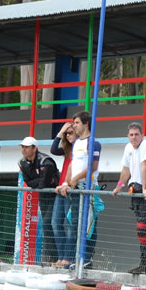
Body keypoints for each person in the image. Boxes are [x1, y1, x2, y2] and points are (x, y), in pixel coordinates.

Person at [113, 122, 146, 275]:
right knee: (141, 230)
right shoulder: (128, 148)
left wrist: (145, 188)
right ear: (128, 136)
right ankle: (145, 263)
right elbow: (126, 169)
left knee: (145, 228)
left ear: (142, 135)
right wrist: (119, 186)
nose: (134, 137)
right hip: (137, 190)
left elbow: (144, 166)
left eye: (137, 134)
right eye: (131, 135)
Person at [55, 111, 101, 267]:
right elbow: (72, 165)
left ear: (86, 124)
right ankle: (75, 258)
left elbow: (93, 167)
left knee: (88, 224)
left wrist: (75, 180)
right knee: (74, 223)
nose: (74, 126)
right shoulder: (76, 144)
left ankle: (85, 259)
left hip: (87, 188)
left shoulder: (93, 143)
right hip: (76, 188)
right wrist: (66, 183)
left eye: (77, 123)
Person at [18, 135, 60, 263]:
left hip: (56, 195)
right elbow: (29, 182)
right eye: (22, 147)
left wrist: (38, 182)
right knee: (47, 225)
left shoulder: (46, 161)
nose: (23, 150)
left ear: (34, 148)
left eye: (26, 147)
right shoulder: (22, 163)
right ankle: (53, 258)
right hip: (44, 196)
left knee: (52, 224)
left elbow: (43, 184)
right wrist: (39, 181)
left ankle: (59, 257)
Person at [50, 122, 77, 268]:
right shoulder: (67, 149)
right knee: (55, 223)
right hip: (60, 189)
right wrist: (61, 132)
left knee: (70, 224)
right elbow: (53, 149)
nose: (68, 135)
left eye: (71, 132)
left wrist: (69, 184)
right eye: (67, 133)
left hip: (71, 189)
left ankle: (68, 257)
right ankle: (61, 257)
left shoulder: (81, 148)